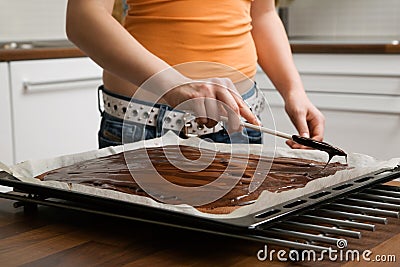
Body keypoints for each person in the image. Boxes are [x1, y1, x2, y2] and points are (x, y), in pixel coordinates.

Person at [66, 0, 324, 148]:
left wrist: (294, 91)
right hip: (148, 127)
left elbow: (263, 13)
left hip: (241, 124)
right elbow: (84, 17)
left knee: (231, 242)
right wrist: (177, 87)